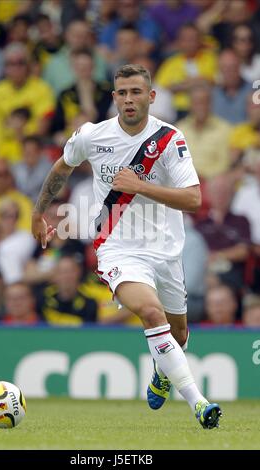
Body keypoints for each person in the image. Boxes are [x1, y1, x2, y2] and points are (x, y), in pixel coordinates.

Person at [32, 64, 222, 429]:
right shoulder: (92, 136)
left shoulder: (169, 139)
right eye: (123, 93)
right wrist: (38, 212)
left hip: (166, 251)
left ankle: (161, 370)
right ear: (114, 97)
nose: (129, 99)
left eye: (137, 92)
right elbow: (61, 167)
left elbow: (194, 200)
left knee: (178, 334)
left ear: (151, 97)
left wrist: (141, 186)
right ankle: (199, 403)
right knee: (151, 314)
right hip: (117, 247)